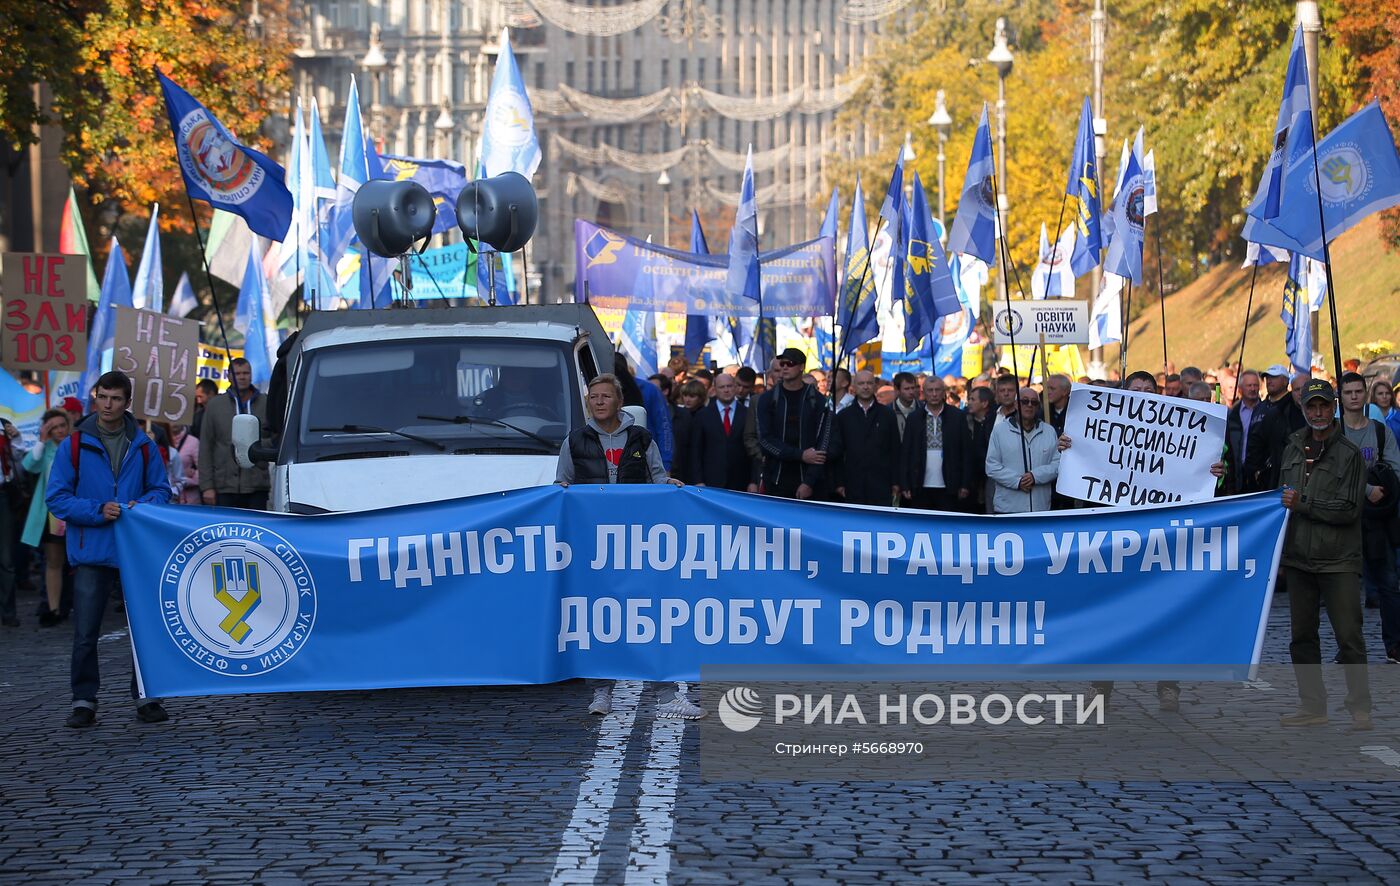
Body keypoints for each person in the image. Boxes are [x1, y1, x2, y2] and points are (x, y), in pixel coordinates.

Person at [555, 374, 696, 719]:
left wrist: (669, 486)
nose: (599, 402)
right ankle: (602, 691)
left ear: (619, 402)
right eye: (594, 397)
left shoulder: (640, 437)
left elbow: (657, 478)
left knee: (649, 613)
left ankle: (667, 694)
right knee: (599, 616)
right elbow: (563, 485)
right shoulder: (575, 441)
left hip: (638, 540)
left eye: (606, 396)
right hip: (595, 543)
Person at [45, 371, 173, 728]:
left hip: (134, 552)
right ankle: (84, 700)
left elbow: (161, 491)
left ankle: (147, 696)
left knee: (143, 629)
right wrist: (98, 510)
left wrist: (139, 505)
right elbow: (56, 498)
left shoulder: (144, 445)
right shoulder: (74, 444)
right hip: (92, 550)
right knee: (86, 630)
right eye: (103, 397)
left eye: (116, 398)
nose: (108, 404)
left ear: (127, 403)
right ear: (94, 397)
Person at [1278, 379, 1371, 731]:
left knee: (1349, 636)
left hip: (1338, 560)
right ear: (1303, 409)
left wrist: (1303, 504)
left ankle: (1360, 707)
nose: (1317, 413)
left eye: (1323, 406)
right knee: (1302, 637)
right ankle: (1312, 705)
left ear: (1334, 408)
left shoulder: (1348, 454)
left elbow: (1349, 509)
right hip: (1299, 558)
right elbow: (1275, 496)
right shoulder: (1291, 448)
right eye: (1311, 407)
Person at [1338, 373, 1400, 647]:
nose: (1353, 396)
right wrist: (1365, 490)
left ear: (1365, 395)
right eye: (1348, 392)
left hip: (1377, 519)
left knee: (1388, 581)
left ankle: (1394, 643)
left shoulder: (1379, 430)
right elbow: (1334, 475)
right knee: (1345, 587)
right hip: (1343, 518)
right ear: (1341, 396)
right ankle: (1349, 645)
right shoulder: (1334, 433)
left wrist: (1383, 489)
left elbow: (1395, 468)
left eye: (1358, 391)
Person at [754, 348, 829, 500]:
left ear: (801, 367)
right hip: (776, 480)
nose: (785, 367)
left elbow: (824, 442)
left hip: (810, 482)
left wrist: (809, 482)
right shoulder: (767, 399)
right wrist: (800, 455)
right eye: (782, 364)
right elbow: (764, 440)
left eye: (790, 363)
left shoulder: (818, 400)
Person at [198, 357, 271, 509]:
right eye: (237, 373)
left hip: (257, 485)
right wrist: (207, 486)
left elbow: (276, 438)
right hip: (223, 485)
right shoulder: (215, 405)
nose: (242, 377)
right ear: (229, 376)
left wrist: (256, 447)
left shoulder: (266, 403)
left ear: (251, 375)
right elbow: (206, 446)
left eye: (246, 373)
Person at [21, 409, 71, 627]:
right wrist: (41, 440)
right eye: (53, 427)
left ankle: (76, 604)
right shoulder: (46, 450)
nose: (59, 430)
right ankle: (54, 608)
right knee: (54, 561)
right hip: (54, 515)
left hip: (78, 510)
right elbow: (29, 466)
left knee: (80, 562)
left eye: (62, 425)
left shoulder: (76, 446)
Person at [902, 375, 973, 512]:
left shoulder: (957, 417)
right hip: (920, 485)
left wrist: (965, 484)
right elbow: (906, 452)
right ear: (923, 392)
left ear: (944, 392)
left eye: (937, 390)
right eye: (930, 390)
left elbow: (966, 452)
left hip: (950, 485)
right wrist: (905, 484)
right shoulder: (914, 418)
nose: (934, 394)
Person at [829, 370, 901, 506]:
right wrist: (839, 482)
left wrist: (896, 481)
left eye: (869, 383)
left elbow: (895, 449)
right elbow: (838, 452)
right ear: (854, 386)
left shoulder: (887, 414)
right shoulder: (844, 416)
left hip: (881, 483)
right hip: (853, 483)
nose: (866, 387)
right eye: (861, 383)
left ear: (875, 386)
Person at [985, 386, 1061, 514]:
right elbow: (992, 466)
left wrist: (1035, 476)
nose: (1029, 405)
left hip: (1040, 509)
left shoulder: (1049, 431)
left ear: (1038, 406)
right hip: (1008, 509)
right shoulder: (1000, 430)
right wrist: (1017, 481)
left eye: (1034, 402)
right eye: (1024, 401)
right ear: (1016, 404)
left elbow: (1058, 464)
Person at [1245, 367, 1307, 492]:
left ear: (1285, 382)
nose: (1269, 381)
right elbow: (1257, 443)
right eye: (1297, 390)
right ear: (1292, 390)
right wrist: (1256, 471)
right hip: (1278, 479)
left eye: (1274, 377)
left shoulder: (1322, 413)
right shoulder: (1270, 412)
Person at [691, 374, 752, 491]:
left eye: (729, 386)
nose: (726, 390)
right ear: (715, 389)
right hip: (711, 481)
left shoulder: (747, 414)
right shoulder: (703, 415)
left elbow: (753, 450)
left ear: (735, 387)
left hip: (742, 482)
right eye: (722, 387)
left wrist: (753, 481)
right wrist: (698, 480)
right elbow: (696, 450)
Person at [1226, 370, 1263, 494]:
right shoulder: (1232, 414)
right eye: (1249, 385)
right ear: (1241, 389)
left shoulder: (1268, 412)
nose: (1253, 389)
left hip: (1260, 476)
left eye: (1255, 385)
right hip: (1237, 474)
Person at [670, 379, 708, 485]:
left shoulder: (705, 416)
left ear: (700, 398)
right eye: (685, 395)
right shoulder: (680, 415)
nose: (687, 399)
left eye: (692, 396)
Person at [965, 387, 996, 514]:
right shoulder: (965, 421)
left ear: (984, 403)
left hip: (989, 476)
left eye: (973, 399)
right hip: (971, 479)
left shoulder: (995, 422)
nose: (969, 402)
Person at [170, 424, 201, 505]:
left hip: (189, 500)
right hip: (168, 499)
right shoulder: (161, 440)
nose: (174, 422)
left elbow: (202, 470)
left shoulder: (193, 442)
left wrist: (185, 481)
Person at [890, 372, 921, 441]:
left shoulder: (924, 408)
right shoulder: (888, 411)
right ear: (897, 389)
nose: (911, 392)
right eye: (907, 389)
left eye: (913, 388)